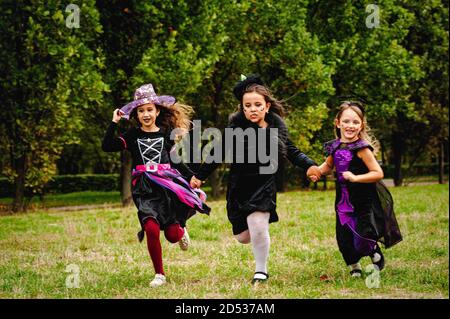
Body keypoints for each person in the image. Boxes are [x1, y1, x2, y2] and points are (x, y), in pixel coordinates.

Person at [190, 74, 321, 284]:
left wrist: (310, 165)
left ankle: (261, 271)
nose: (253, 109)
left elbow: (292, 151)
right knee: (243, 237)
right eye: (247, 105)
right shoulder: (236, 129)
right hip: (239, 185)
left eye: (258, 104)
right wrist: (200, 175)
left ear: (267, 106)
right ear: (242, 108)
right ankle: (258, 232)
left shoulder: (276, 130)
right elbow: (218, 152)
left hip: (264, 184)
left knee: (258, 222)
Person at [102, 83, 210, 287]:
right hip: (144, 189)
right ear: (136, 114)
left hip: (166, 188)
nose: (145, 114)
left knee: (171, 235)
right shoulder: (132, 136)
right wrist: (114, 122)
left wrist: (192, 178)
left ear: (157, 110)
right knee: (151, 227)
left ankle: (181, 230)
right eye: (141, 111)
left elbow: (175, 162)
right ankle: (159, 274)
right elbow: (107, 146)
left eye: (149, 109)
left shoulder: (166, 134)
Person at [308, 101, 402, 277]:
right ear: (338, 123)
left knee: (363, 236)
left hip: (362, 200)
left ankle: (373, 251)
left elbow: (378, 173)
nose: (350, 126)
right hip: (342, 200)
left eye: (355, 122)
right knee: (344, 236)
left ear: (361, 125)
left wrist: (356, 177)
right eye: (346, 121)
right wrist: (317, 172)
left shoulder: (362, 149)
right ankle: (354, 266)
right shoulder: (335, 146)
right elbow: (328, 166)